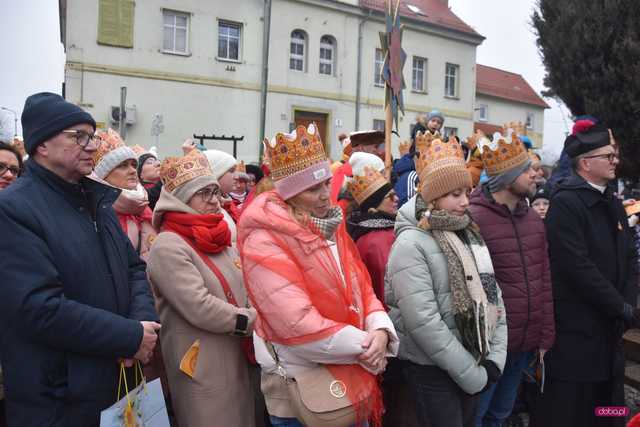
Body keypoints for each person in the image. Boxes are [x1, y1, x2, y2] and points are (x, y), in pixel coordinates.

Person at [0, 92, 159, 426]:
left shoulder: (96, 201)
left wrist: (141, 326)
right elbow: (38, 307)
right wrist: (128, 336)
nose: (91, 145)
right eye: (79, 137)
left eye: (92, 136)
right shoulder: (14, 209)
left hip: (116, 380)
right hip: (60, 398)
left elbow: (133, 268)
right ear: (42, 144)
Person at [239, 124, 398, 427]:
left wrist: (380, 330)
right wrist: (369, 347)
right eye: (314, 189)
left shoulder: (329, 225)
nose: (327, 195)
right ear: (290, 195)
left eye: (327, 183)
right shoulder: (264, 238)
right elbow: (295, 325)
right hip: (305, 393)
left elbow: (361, 288)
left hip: (352, 374)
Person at [386, 135, 507, 427]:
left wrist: (494, 360)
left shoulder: (468, 233)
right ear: (432, 197)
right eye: (455, 194)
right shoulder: (411, 244)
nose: (466, 202)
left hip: (474, 358)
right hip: (431, 369)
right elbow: (423, 321)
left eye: (467, 192)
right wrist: (472, 374)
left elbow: (495, 299)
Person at [146, 150, 256, 427]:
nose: (215, 201)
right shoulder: (168, 245)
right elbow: (198, 305)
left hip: (236, 353)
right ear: (182, 198)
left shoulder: (217, 234)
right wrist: (251, 320)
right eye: (204, 193)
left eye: (215, 192)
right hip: (202, 364)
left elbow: (244, 283)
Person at [540, 122, 638, 427]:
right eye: (607, 156)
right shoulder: (567, 203)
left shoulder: (612, 201)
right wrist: (619, 306)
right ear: (585, 163)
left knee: (610, 409)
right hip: (578, 335)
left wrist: (628, 303)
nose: (615, 161)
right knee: (574, 411)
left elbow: (629, 257)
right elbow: (578, 267)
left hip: (610, 333)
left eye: (614, 155)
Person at [468, 130, 555, 427]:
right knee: (476, 417)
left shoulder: (532, 219)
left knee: (501, 415)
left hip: (524, 344)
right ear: (507, 177)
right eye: (528, 170)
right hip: (490, 348)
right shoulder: (474, 219)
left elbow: (544, 278)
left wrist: (544, 334)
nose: (537, 174)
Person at [91, 128, 156, 261]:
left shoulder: (143, 206)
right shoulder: (94, 210)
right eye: (122, 166)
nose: (132, 171)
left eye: (133, 165)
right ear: (104, 175)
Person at [346, 152, 397, 304]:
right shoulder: (377, 241)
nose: (397, 199)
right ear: (373, 210)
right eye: (391, 197)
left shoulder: (371, 230)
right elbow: (385, 287)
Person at [204, 149, 240, 242]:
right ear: (215, 173)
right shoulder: (206, 210)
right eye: (231, 171)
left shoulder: (223, 205)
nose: (237, 177)